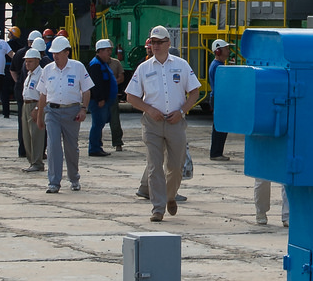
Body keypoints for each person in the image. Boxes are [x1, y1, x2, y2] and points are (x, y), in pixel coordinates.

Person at [125, 26, 199, 219]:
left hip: (175, 122)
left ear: (168, 43)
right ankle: (158, 208)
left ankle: (169, 195)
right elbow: (131, 96)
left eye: (159, 42)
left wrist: (182, 111)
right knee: (154, 165)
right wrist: (149, 109)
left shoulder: (181, 65)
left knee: (175, 167)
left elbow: (195, 92)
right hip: (152, 124)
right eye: (153, 42)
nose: (155, 46)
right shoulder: (144, 68)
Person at [35, 35, 93, 194]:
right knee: (53, 146)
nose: (55, 56)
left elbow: (86, 90)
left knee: (71, 148)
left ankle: (74, 178)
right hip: (52, 112)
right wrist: (40, 116)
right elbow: (42, 95)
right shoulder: (47, 69)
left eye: (58, 53)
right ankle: (54, 182)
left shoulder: (78, 67)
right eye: (53, 53)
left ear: (67, 52)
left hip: (72, 112)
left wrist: (83, 109)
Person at [87, 38, 119, 156]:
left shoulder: (101, 63)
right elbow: (96, 84)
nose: (109, 53)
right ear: (100, 51)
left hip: (103, 101)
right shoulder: (95, 65)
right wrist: (100, 99)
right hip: (98, 101)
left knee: (99, 124)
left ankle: (97, 146)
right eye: (107, 50)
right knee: (97, 124)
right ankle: (94, 148)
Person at [18, 48, 45, 169]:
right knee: (27, 135)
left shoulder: (41, 74)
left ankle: (37, 162)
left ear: (37, 61)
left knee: (36, 135)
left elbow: (43, 93)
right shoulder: (29, 74)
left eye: (30, 61)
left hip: (35, 104)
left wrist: (37, 109)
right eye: (26, 61)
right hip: (26, 104)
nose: (27, 64)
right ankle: (31, 161)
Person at [206, 40, 233, 159]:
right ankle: (216, 153)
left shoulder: (218, 65)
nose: (228, 51)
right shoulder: (218, 67)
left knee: (221, 126)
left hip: (219, 98)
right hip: (220, 99)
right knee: (220, 127)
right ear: (218, 51)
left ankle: (217, 152)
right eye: (226, 48)